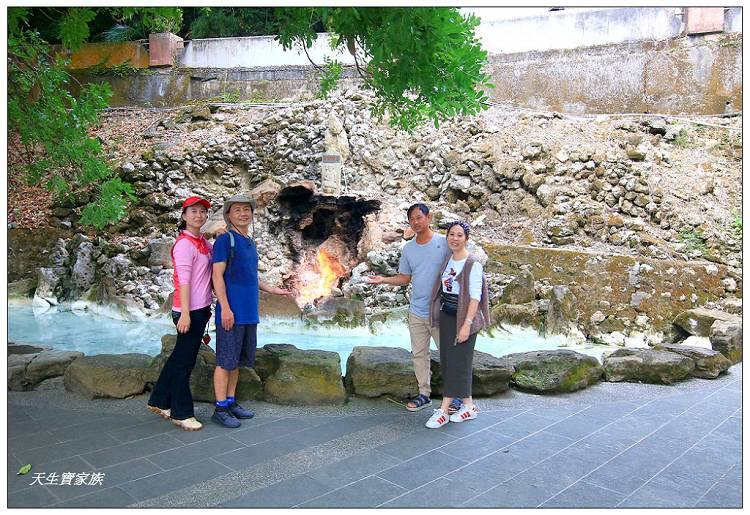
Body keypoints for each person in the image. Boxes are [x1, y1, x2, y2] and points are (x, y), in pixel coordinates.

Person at [211, 194, 291, 428]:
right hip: (231, 311)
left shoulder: (249, 241)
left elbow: (251, 275)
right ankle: (220, 408)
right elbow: (217, 275)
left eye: (247, 210)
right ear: (228, 215)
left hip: (248, 312)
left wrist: (271, 289)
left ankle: (231, 401)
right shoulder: (225, 241)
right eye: (237, 210)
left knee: (235, 361)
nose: (243, 214)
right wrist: (225, 307)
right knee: (225, 361)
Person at [367, 203, 453, 412]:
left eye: (418, 217)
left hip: (440, 310)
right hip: (417, 310)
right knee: (419, 354)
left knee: (449, 354)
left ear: (428, 217)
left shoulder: (445, 243)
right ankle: (424, 393)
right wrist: (383, 280)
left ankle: (456, 397)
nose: (415, 222)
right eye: (411, 219)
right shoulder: (409, 248)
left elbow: (459, 267)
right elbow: (405, 278)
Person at [148, 196, 214, 431]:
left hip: (201, 309)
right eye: (193, 211)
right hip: (189, 311)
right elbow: (182, 282)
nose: (199, 215)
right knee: (184, 362)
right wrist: (185, 313)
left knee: (179, 357)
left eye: (202, 212)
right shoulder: (185, 244)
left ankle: (159, 401)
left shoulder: (203, 243)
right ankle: (181, 412)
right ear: (184, 215)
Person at [425, 220, 491, 429]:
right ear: (447, 237)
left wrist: (466, 324)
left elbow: (475, 297)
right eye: (451, 234)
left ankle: (444, 410)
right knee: (450, 361)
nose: (455, 238)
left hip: (464, 318)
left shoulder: (472, 264)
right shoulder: (449, 260)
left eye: (459, 235)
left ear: (467, 239)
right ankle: (469, 406)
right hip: (447, 315)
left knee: (457, 363)